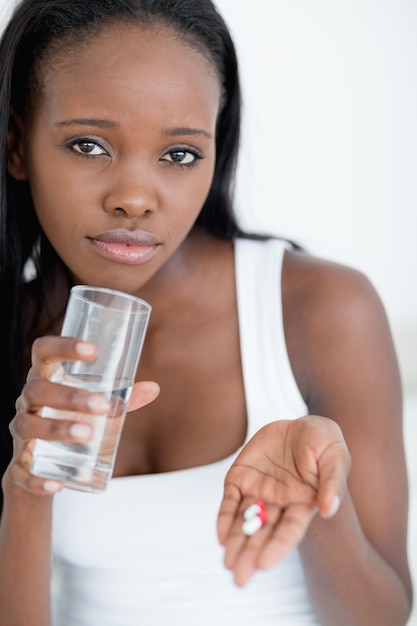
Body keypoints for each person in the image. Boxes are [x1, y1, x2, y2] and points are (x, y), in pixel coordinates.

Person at [0, 0, 412, 624]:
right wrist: (26, 491)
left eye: (180, 154)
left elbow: (384, 615)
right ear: (17, 144)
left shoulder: (322, 310)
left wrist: (318, 500)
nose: (135, 198)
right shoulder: (14, 332)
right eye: (89, 144)